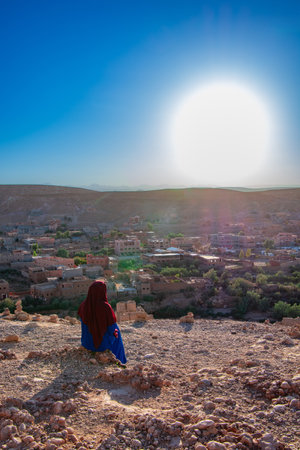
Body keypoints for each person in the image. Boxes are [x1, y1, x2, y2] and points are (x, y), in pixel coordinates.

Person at [78, 280, 126, 364]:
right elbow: (112, 328)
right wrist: (115, 334)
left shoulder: (83, 305)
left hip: (87, 342)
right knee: (117, 335)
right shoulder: (105, 307)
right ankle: (120, 361)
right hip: (102, 344)